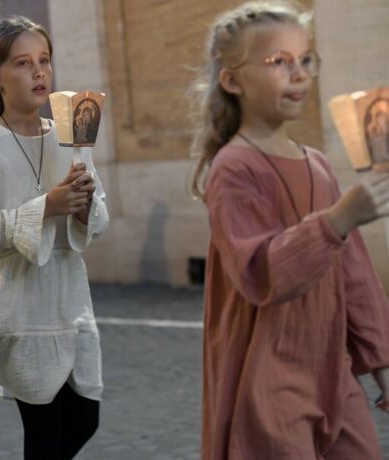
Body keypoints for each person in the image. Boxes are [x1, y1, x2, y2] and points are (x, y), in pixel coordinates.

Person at [190, 2, 389, 458]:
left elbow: (355, 274)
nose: (298, 73)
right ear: (232, 80)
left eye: (305, 59)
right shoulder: (232, 168)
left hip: (334, 372)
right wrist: (338, 219)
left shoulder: (317, 163)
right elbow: (261, 273)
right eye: (278, 62)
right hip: (268, 379)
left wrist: (382, 363)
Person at [0, 17, 108, 459]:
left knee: (84, 417)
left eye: (44, 61)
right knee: (44, 428)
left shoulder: (68, 137)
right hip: (19, 306)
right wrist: (45, 207)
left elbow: (99, 219)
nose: (39, 72)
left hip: (70, 301)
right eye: (23, 63)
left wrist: (83, 204)